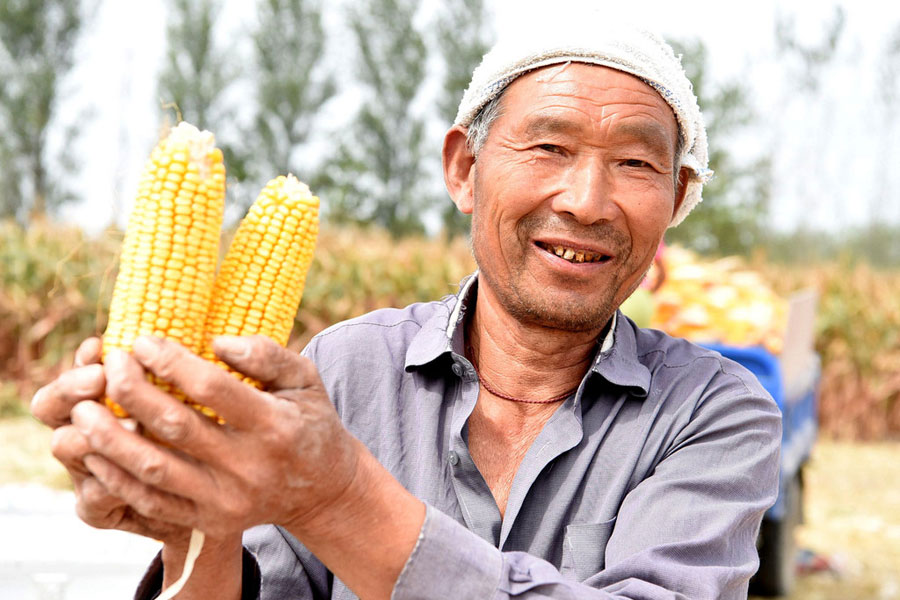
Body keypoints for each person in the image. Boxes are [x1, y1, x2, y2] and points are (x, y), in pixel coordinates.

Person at [30, 15, 781, 600]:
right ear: (464, 168)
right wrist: (198, 523)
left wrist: (339, 496)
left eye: (635, 163)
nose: (585, 202)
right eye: (549, 148)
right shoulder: (342, 370)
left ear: (677, 198)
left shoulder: (715, 414)